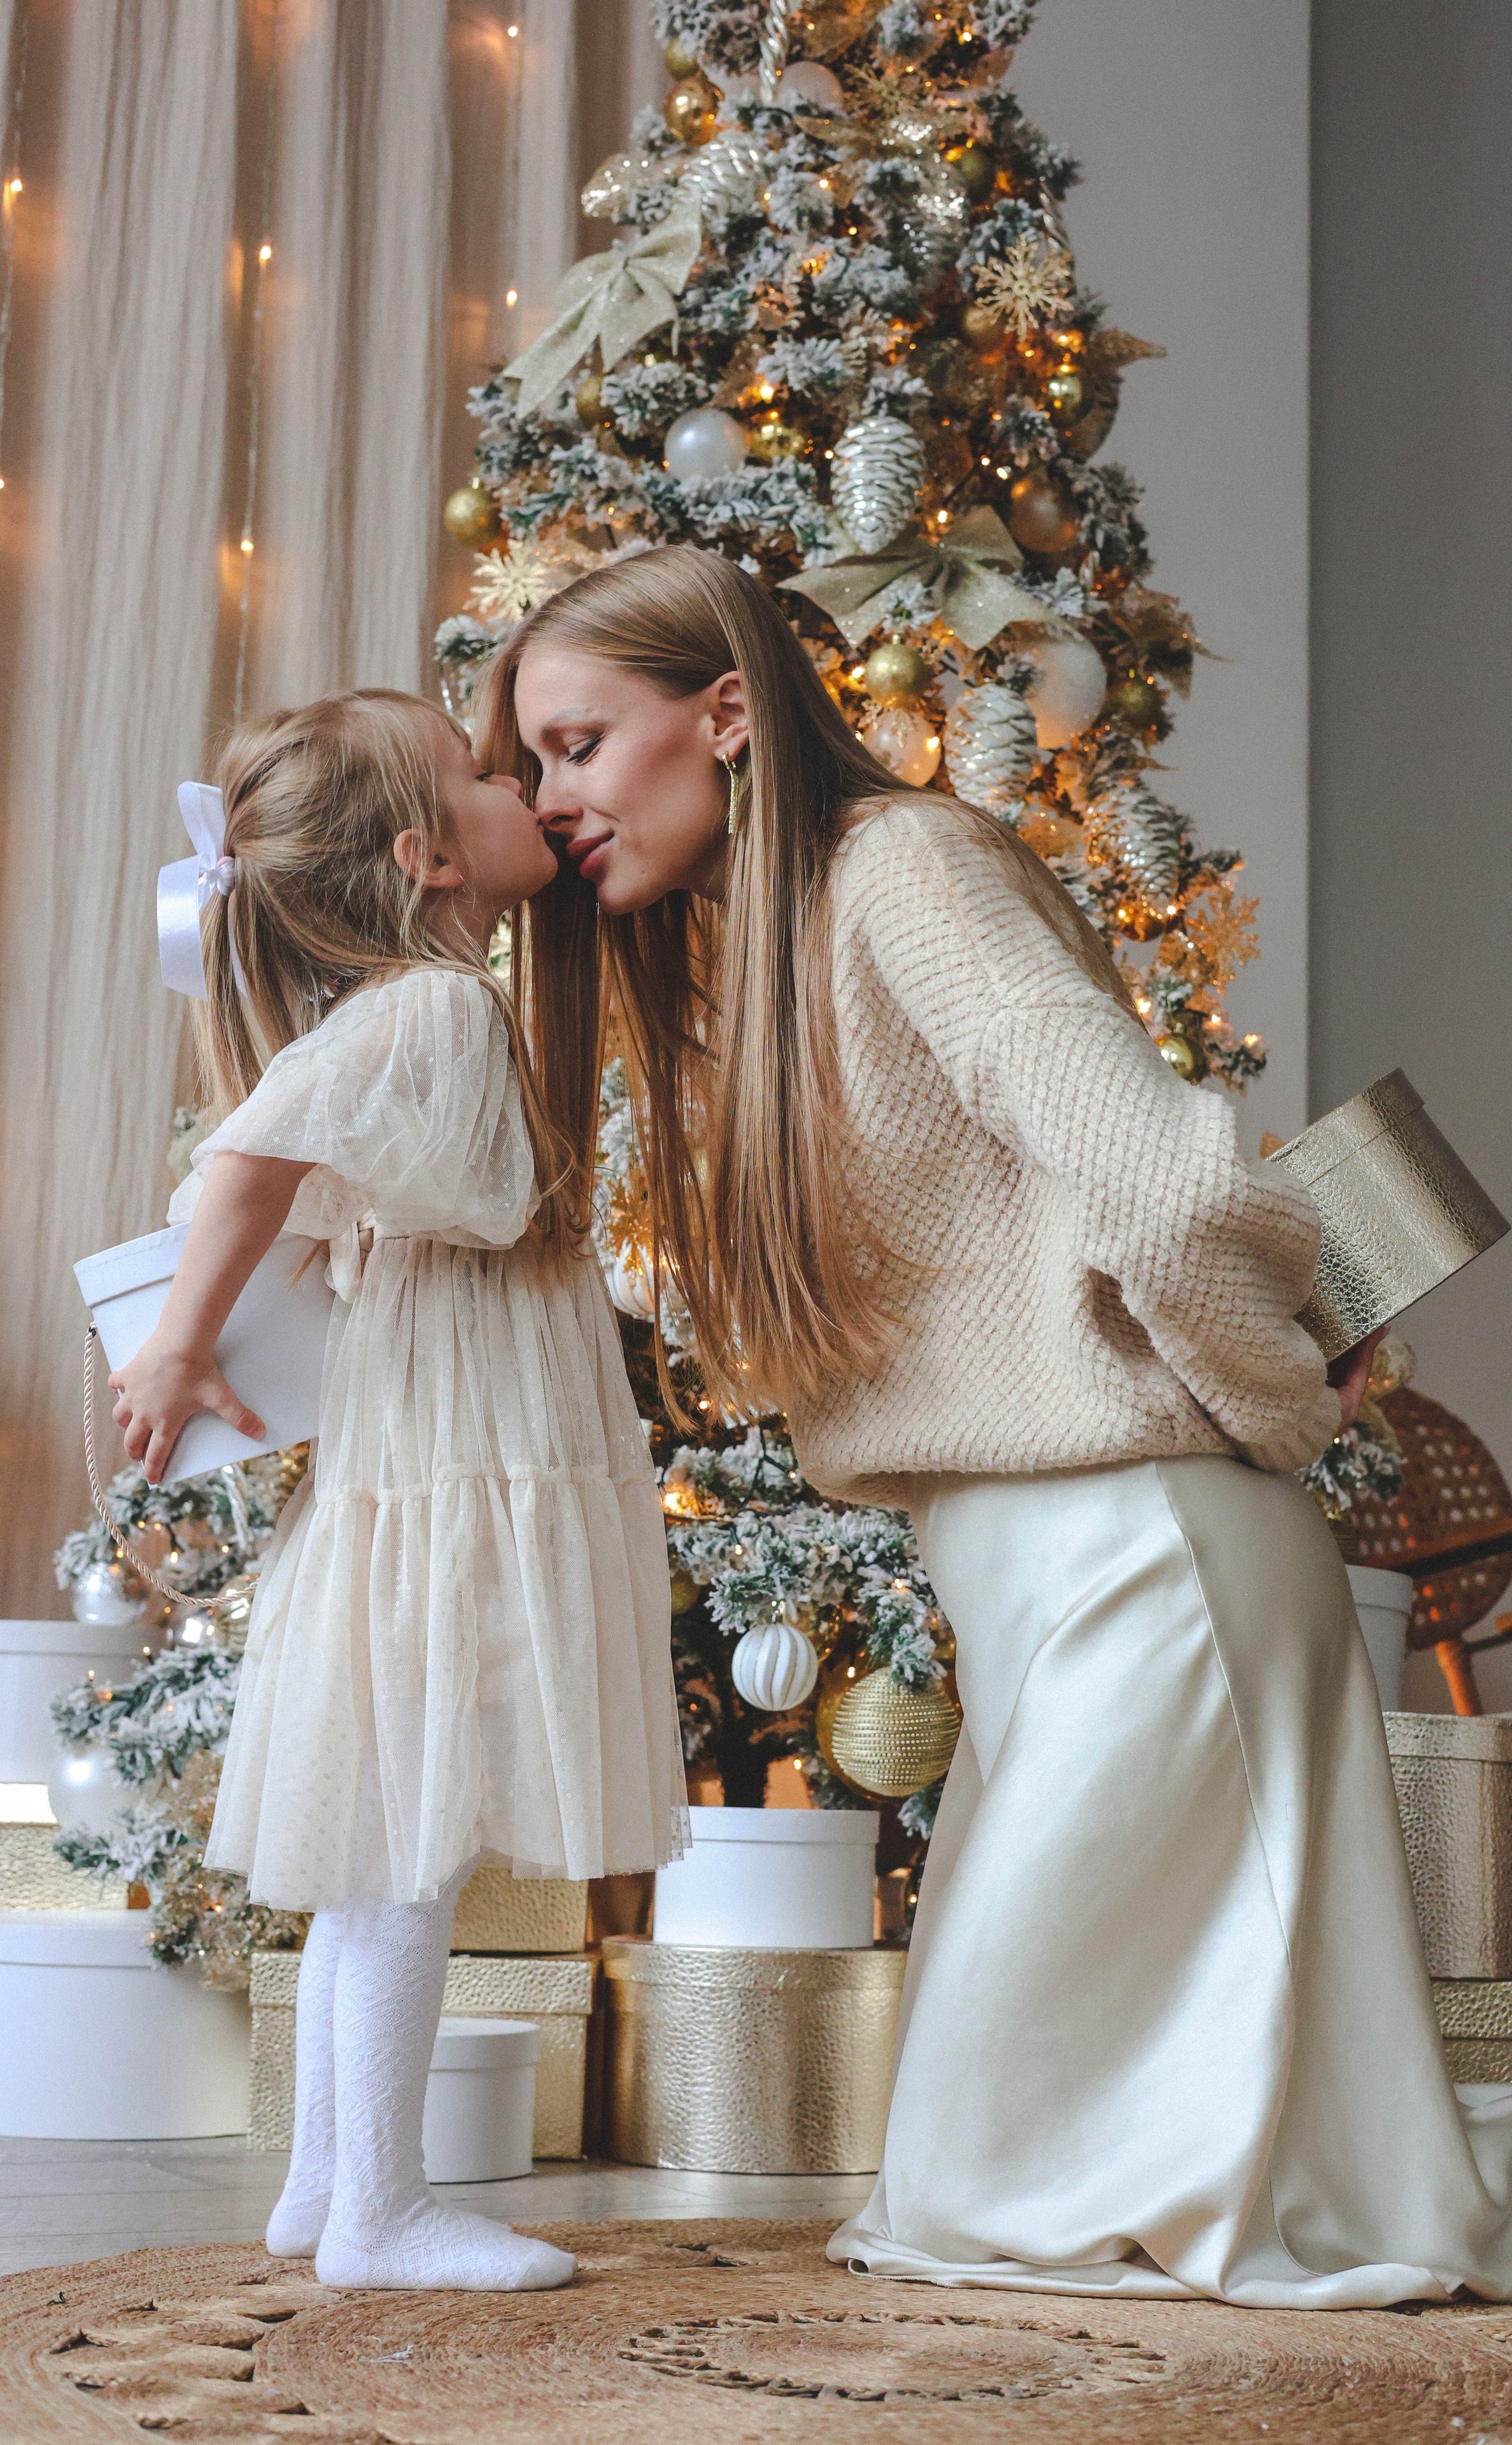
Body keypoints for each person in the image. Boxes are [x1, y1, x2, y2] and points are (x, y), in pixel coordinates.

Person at [478, 542, 1512, 2307]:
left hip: (1152, 1550)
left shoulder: (904, 871)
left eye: (574, 744)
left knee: (999, 2187)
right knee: (1020, 2166)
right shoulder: (749, 976)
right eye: (531, 766)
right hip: (1033, 1570)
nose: (554, 799)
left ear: (723, 715)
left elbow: (1163, 1187)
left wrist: (1261, 1411)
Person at [108, 690, 686, 2292]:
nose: (521, 787)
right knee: (407, 1847)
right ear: (432, 857)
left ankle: (322, 2187)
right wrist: (176, 1348)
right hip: (455, 1451)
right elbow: (246, 1161)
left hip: (436, 1437)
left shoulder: (421, 1010)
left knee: (385, 1839)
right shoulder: (430, 1011)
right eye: (483, 773)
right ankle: (379, 2210)